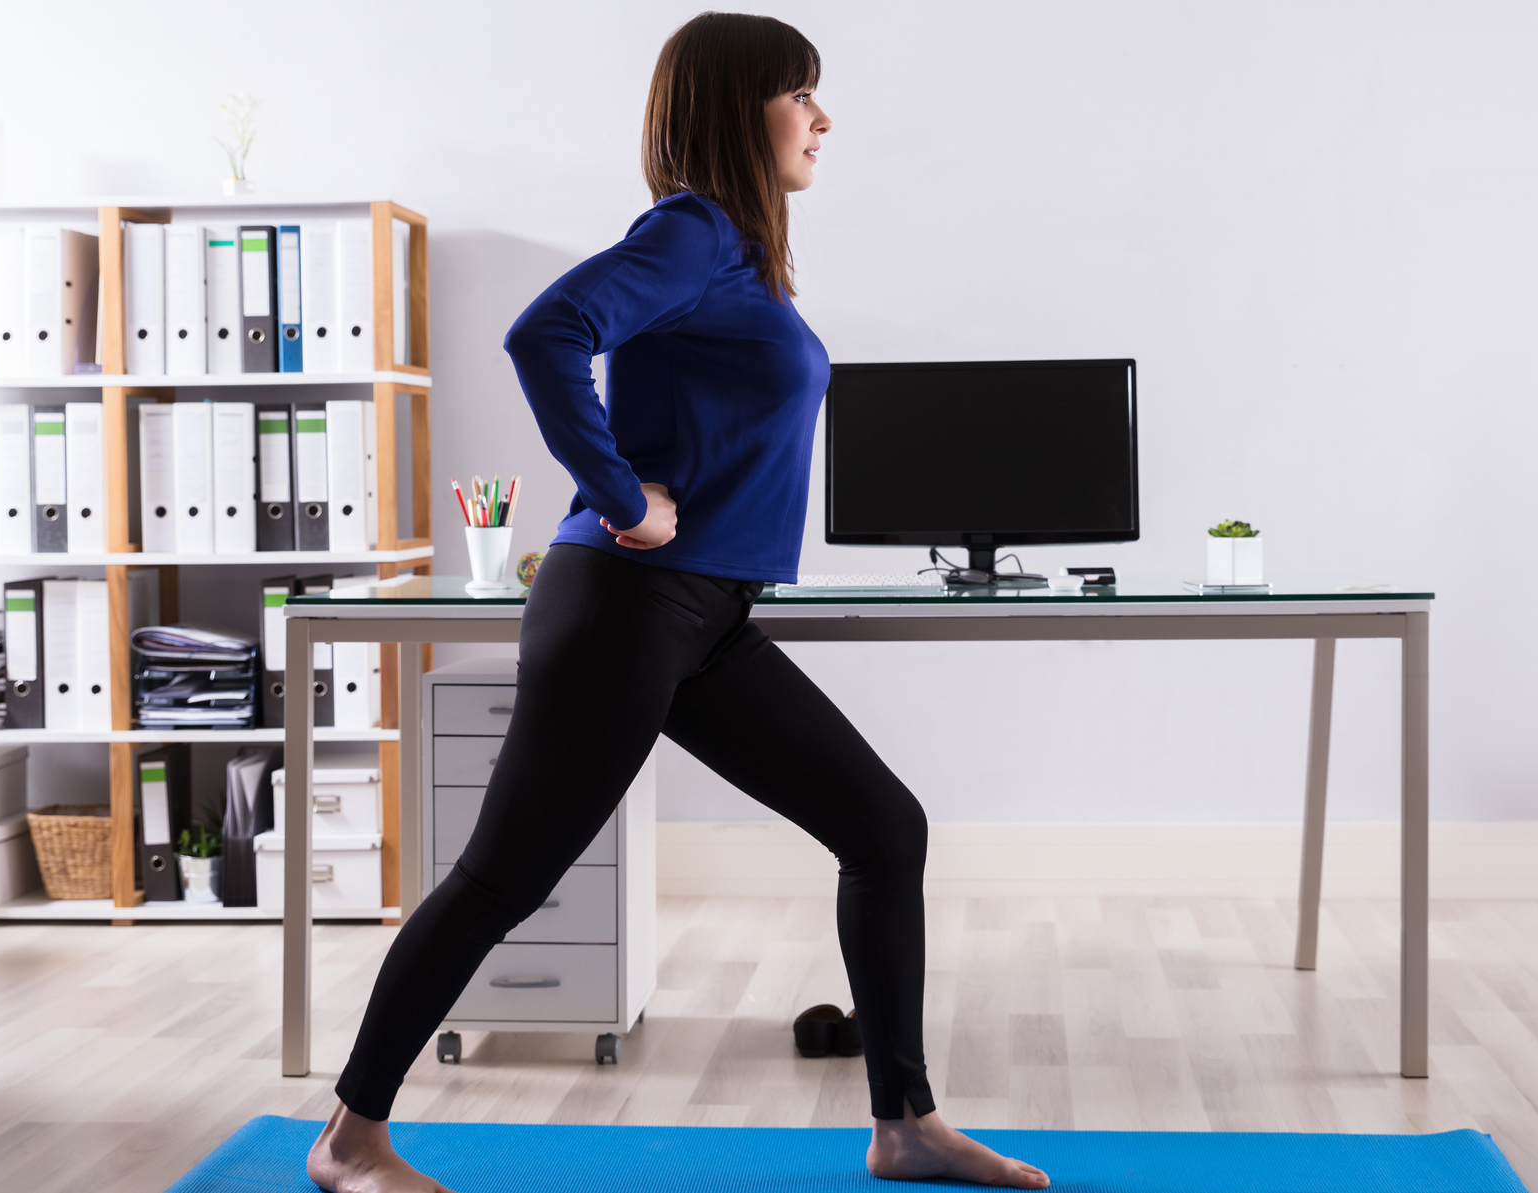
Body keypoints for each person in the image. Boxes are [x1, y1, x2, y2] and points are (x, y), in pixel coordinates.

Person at [306, 12, 1051, 1192]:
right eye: (799, 93)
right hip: (625, 604)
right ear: (733, 106)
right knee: (505, 875)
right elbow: (545, 330)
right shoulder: (693, 230)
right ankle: (351, 1139)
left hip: (705, 617)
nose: (821, 117)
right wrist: (619, 492)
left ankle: (904, 1123)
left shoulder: (741, 257)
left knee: (882, 826)